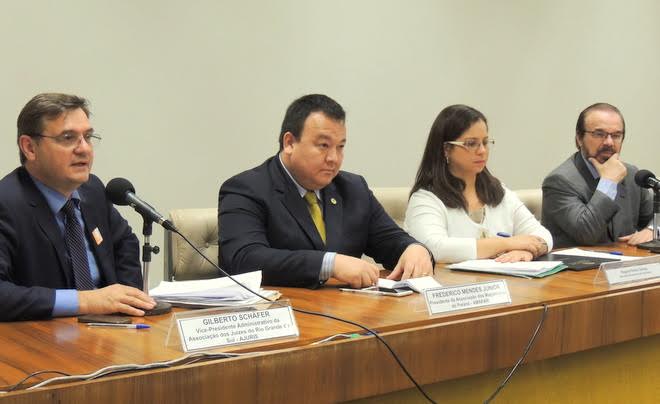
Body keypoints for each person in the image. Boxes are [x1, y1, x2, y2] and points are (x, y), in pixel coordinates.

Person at [219, 94, 433, 288]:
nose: (334, 158)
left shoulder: (353, 188)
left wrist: (414, 249)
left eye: (340, 147)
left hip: (347, 317)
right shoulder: (246, 189)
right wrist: (330, 264)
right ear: (290, 143)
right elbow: (244, 260)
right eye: (323, 145)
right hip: (281, 316)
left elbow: (392, 242)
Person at [0, 93, 155, 321]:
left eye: (88, 137)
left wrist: (126, 304)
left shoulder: (92, 190)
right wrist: (86, 301)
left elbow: (125, 243)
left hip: (108, 334)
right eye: (68, 138)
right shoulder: (7, 203)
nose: (84, 149)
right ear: (30, 148)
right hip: (41, 341)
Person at [405, 104, 552, 263]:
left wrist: (527, 252)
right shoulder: (426, 199)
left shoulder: (498, 191)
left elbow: (544, 236)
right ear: (446, 149)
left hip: (505, 284)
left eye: (485, 142)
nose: (482, 150)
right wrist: (506, 244)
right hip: (452, 285)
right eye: (471, 143)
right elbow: (434, 248)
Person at [542, 103, 653, 248]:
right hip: (577, 268)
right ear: (579, 138)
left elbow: (655, 215)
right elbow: (586, 233)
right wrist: (609, 183)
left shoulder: (632, 175)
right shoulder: (559, 181)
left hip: (624, 266)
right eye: (599, 134)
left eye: (616, 135)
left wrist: (653, 229)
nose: (609, 142)